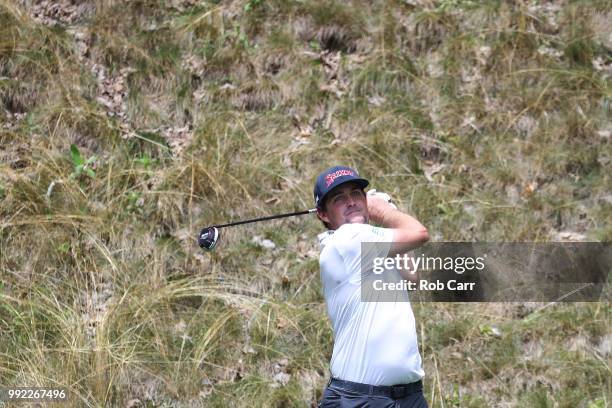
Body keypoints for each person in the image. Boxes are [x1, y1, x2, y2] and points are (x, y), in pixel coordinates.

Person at [314, 165, 430, 408]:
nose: (351, 202)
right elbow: (419, 233)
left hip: (407, 397)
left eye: (357, 194)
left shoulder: (370, 244)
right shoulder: (348, 240)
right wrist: (385, 211)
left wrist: (387, 218)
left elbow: (412, 275)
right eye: (339, 198)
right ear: (323, 215)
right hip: (362, 398)